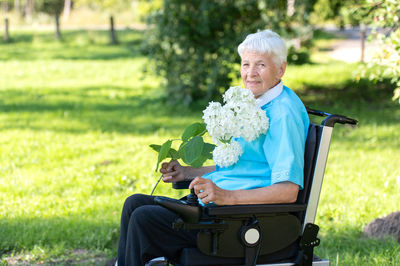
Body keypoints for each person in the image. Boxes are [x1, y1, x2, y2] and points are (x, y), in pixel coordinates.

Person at [116, 29, 310, 266]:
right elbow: (241, 169)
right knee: (134, 204)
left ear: (280, 69)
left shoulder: (282, 114)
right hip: (218, 209)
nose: (250, 73)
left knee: (144, 218)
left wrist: (227, 196)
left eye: (261, 65)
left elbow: (287, 191)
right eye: (246, 64)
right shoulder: (256, 103)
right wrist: (188, 173)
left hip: (241, 221)